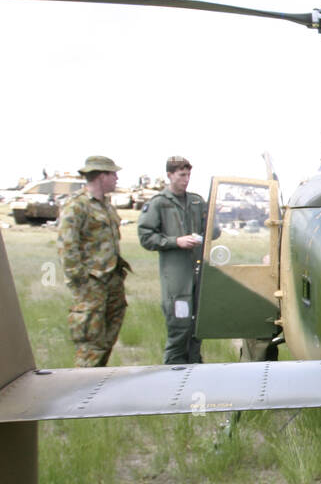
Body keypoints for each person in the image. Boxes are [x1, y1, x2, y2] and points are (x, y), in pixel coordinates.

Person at [56, 156, 130, 367]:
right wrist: (81, 282)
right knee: (90, 343)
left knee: (107, 339)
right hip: (92, 284)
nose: (116, 178)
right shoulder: (77, 206)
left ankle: (97, 381)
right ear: (101, 176)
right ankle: (81, 389)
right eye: (113, 174)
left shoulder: (106, 206)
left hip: (112, 280)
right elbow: (66, 246)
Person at [137, 155, 208, 364]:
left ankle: (195, 371)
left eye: (188, 175)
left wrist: (210, 227)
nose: (186, 179)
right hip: (177, 281)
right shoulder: (159, 203)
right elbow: (146, 237)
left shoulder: (196, 201)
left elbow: (212, 229)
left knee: (198, 328)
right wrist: (175, 241)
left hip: (198, 277)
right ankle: (173, 377)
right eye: (182, 175)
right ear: (170, 175)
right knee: (180, 328)